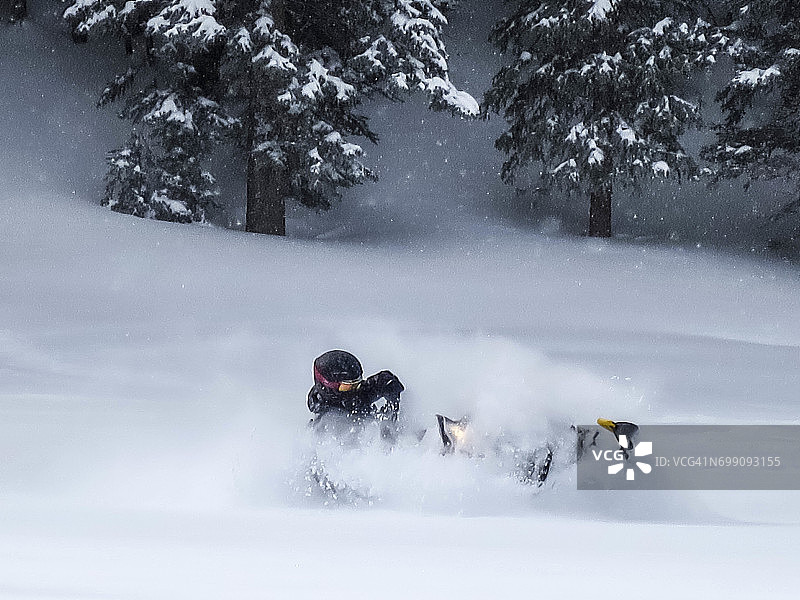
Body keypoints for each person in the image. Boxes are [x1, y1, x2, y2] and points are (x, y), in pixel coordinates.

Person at [307, 350, 404, 423]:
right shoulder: (325, 419)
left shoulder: (356, 393)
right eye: (346, 387)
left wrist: (391, 406)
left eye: (356, 384)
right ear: (329, 386)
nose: (353, 390)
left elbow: (383, 381)